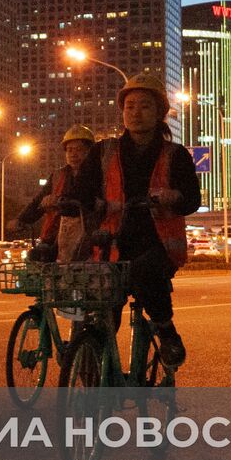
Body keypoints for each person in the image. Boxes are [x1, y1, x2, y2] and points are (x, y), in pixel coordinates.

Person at [67, 73, 200, 368]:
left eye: (144, 106)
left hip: (157, 243)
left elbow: (192, 200)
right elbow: (80, 192)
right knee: (102, 308)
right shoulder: (103, 151)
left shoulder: (175, 155)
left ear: (159, 113)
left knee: (143, 274)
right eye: (130, 107)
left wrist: (173, 196)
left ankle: (167, 332)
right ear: (122, 112)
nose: (136, 113)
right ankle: (95, 377)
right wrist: (89, 202)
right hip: (110, 243)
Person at [10, 124, 96, 262]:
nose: (74, 154)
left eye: (79, 150)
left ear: (90, 151)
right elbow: (38, 201)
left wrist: (59, 200)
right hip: (54, 236)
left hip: (88, 235)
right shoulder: (58, 176)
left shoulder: (97, 175)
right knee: (36, 258)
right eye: (69, 150)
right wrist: (21, 219)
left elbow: (88, 199)